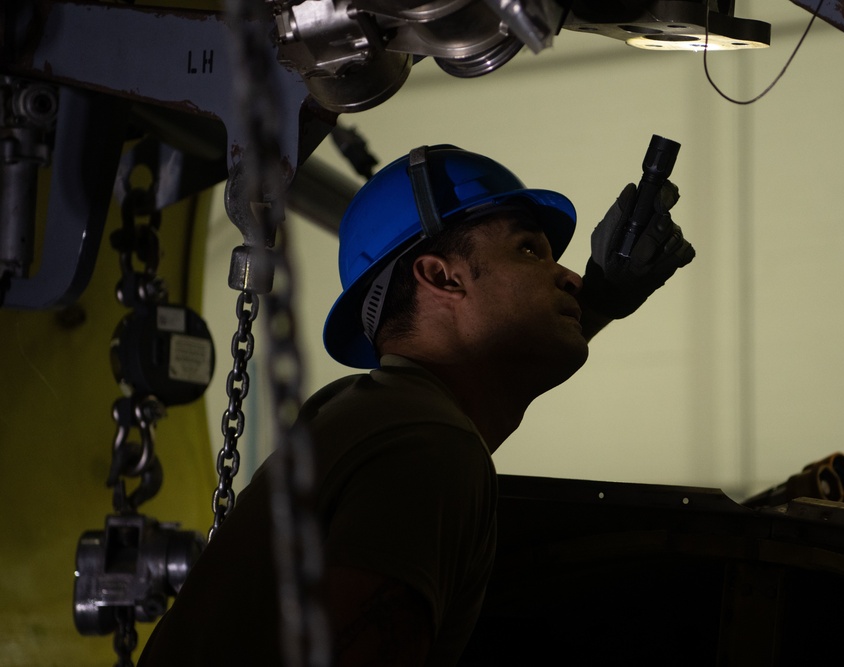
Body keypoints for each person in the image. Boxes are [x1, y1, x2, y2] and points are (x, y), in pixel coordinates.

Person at [138, 144, 694, 666]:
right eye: (530, 250)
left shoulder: (369, 413)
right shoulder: (425, 447)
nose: (572, 277)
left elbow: (480, 401)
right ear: (439, 276)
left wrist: (602, 299)